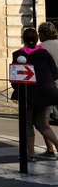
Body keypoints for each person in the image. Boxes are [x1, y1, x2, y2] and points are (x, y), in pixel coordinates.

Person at [11, 27, 58, 162]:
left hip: (29, 94)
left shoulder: (19, 54)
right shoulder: (45, 53)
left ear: (23, 39)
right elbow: (55, 72)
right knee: (41, 123)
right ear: (37, 39)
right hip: (46, 93)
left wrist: (18, 90)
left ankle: (30, 155)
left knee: (27, 123)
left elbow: (15, 76)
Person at [37, 22, 58, 160]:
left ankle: (50, 150)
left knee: (44, 120)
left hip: (49, 87)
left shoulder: (40, 49)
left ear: (42, 34)